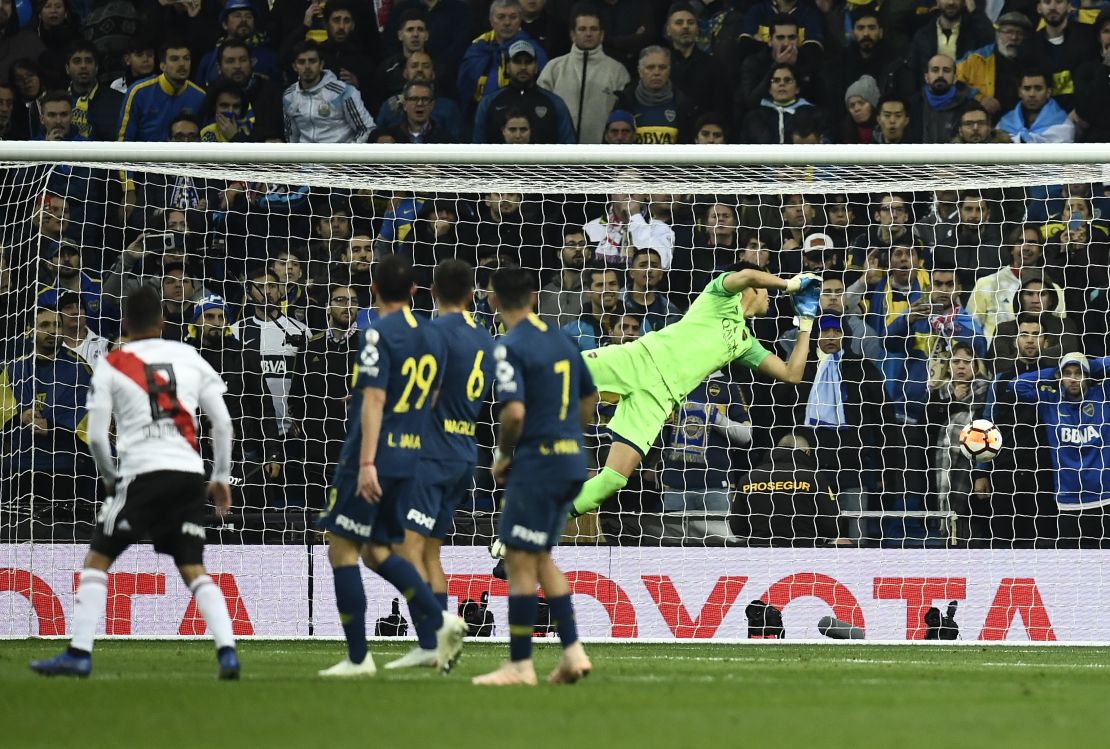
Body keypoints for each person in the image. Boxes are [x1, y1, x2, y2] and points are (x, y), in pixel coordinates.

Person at [29, 286, 239, 679]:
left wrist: (111, 481)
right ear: (163, 323)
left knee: (97, 560)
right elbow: (222, 423)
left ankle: (79, 652)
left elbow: (94, 436)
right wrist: (221, 477)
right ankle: (227, 651)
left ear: (124, 324)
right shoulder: (188, 356)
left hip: (142, 473)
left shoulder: (114, 362)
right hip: (189, 474)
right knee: (193, 566)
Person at [568, 262, 821, 518]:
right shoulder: (719, 295)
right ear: (754, 288)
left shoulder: (745, 342)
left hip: (658, 400)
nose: (772, 297)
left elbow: (792, 374)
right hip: (638, 360)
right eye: (769, 290)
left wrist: (806, 322)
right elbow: (746, 275)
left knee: (614, 479)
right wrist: (792, 284)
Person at [316, 255, 467, 677]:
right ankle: (439, 624)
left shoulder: (376, 333)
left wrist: (366, 461)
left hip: (373, 457)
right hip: (411, 454)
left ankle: (359, 657)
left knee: (342, 550)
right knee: (377, 551)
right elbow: (432, 394)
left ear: (373, 291)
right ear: (416, 291)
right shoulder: (435, 336)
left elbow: (378, 398)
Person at [473, 267, 598, 686]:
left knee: (519, 558)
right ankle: (573, 652)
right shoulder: (561, 339)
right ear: (532, 297)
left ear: (493, 300)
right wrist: (570, 437)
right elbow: (590, 396)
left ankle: (521, 664)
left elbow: (513, 412)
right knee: (539, 556)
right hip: (570, 462)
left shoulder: (510, 346)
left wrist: (504, 454)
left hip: (537, 463)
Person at [388, 260, 496, 670]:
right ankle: (436, 644)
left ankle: (433, 635)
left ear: (431, 291)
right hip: (464, 452)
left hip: (429, 452)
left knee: (406, 550)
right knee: (431, 553)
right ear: (472, 293)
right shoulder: (484, 339)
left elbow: (426, 394)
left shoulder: (431, 334)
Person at [1010, 352, 1110, 547]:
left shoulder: (1104, 395)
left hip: (1105, 499)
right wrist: (1055, 371)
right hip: (1068, 502)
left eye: (1079, 373)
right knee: (1072, 570)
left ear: (1087, 376)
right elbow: (1015, 385)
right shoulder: (1050, 400)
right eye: (1068, 373)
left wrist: (1092, 365)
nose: (1072, 378)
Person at [536, 6, 630, 143]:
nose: (588, 34)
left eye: (593, 29)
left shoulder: (617, 71)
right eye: (582, 29)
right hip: (560, 155)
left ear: (602, 34)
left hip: (601, 157)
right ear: (572, 34)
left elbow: (623, 118)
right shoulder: (554, 68)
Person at [473, 39, 575, 144]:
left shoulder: (554, 103)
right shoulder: (489, 103)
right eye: (517, 62)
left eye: (528, 62)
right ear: (507, 67)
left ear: (536, 67)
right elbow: (478, 148)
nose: (523, 67)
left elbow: (569, 147)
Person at [283, 39, 374, 144]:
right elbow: (291, 138)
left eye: (312, 61)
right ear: (294, 66)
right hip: (306, 159)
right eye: (301, 62)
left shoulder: (343, 92)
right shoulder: (289, 96)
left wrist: (345, 157)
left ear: (321, 65)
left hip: (339, 157)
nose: (307, 66)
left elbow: (366, 129)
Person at [117, 40, 206, 143]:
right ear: (162, 66)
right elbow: (123, 141)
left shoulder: (200, 97)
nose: (182, 64)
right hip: (144, 158)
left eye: (186, 59)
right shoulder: (138, 92)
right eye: (174, 59)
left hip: (185, 157)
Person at [955, 12, 1035, 118]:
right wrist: (980, 98)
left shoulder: (1031, 63)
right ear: (997, 34)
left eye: (1019, 33)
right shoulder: (976, 59)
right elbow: (952, 82)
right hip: (982, 123)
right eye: (1009, 32)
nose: (1014, 37)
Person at [613, 46, 692, 144]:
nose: (656, 72)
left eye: (662, 67)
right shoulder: (625, 102)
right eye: (650, 67)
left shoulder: (681, 103)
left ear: (669, 71)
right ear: (640, 71)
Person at [998, 69, 1076, 143]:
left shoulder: (1063, 125)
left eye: (1038, 89)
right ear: (1019, 92)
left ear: (1048, 92)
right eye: (1027, 89)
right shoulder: (1005, 123)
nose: (1032, 94)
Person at [911, 54, 975, 144]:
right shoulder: (912, 105)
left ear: (955, 78)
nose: (940, 75)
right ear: (926, 77)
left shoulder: (970, 107)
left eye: (946, 70)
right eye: (935, 70)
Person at [537, 226, 590, 329]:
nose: (578, 249)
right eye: (571, 245)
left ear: (590, 253)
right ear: (559, 254)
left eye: (582, 244)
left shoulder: (596, 289)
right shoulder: (545, 293)